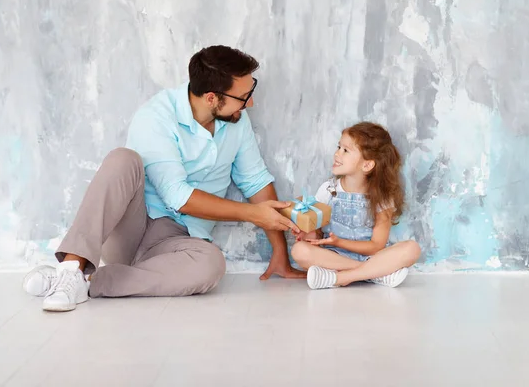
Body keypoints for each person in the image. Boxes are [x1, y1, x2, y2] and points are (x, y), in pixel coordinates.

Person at [22, 45, 304, 312]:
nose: (250, 102)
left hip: (179, 242)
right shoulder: (156, 116)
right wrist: (253, 215)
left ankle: (86, 282)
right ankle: (72, 267)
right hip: (133, 229)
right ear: (211, 98)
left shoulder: (236, 121)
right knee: (123, 159)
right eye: (243, 96)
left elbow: (255, 181)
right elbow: (178, 196)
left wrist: (279, 252)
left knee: (211, 265)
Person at [290, 121, 421, 289]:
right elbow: (316, 233)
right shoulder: (327, 190)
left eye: (345, 151)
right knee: (299, 250)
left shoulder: (381, 197)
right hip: (333, 256)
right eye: (338, 147)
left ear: (367, 165)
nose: (337, 154)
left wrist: (339, 241)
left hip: (371, 257)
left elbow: (376, 246)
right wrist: (307, 234)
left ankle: (338, 278)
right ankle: (375, 273)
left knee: (412, 249)